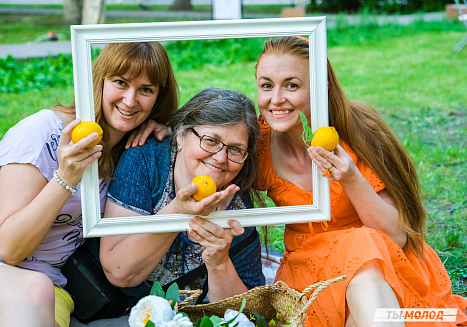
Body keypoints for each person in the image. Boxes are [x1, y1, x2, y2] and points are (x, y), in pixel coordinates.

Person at [254, 36, 467, 327]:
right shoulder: (258, 142)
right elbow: (203, 152)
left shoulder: (360, 131)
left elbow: (397, 236)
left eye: (291, 85)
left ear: (320, 87)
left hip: (386, 268)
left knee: (361, 245)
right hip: (311, 276)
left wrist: (351, 177)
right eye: (266, 85)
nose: (276, 99)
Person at [0, 41, 178, 327]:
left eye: (146, 89)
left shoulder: (130, 154)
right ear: (99, 80)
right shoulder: (43, 133)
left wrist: (166, 130)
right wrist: (65, 178)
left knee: (38, 291)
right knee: (34, 291)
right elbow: (10, 248)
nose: (131, 100)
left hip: (49, 286)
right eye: (120, 82)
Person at [91, 87, 265, 306]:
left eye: (236, 149)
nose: (221, 157)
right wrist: (177, 212)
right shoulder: (147, 161)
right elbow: (119, 272)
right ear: (181, 135)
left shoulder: (238, 208)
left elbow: (248, 311)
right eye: (211, 140)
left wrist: (219, 262)